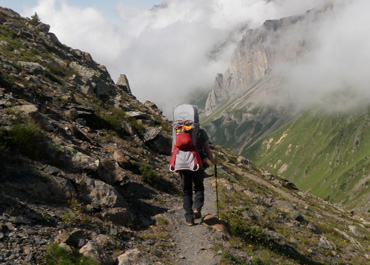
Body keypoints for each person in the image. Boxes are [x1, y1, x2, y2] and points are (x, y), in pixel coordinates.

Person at [177, 128, 218, 226]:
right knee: (199, 186)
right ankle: (197, 208)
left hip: (183, 165)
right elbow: (207, 151)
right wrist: (213, 161)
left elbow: (174, 149)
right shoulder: (200, 132)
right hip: (198, 163)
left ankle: (189, 219)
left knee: (186, 190)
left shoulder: (177, 130)